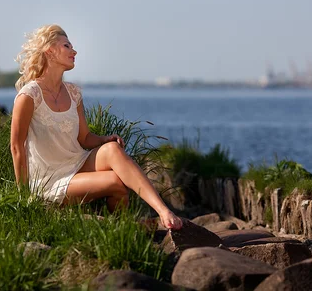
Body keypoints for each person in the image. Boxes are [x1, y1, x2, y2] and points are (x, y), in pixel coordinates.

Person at [10, 24, 183, 231]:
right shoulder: (29, 95)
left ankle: (162, 212)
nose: (74, 51)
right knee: (115, 182)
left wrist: (104, 139)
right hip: (49, 179)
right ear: (50, 51)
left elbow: (84, 138)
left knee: (112, 150)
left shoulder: (73, 93)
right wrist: (23, 195)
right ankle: (124, 229)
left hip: (76, 163)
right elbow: (16, 146)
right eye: (67, 46)